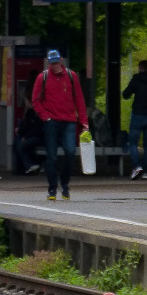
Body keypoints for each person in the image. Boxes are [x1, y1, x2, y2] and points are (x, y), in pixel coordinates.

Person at [32, 49, 88, 201]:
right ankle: (52, 188)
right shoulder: (43, 77)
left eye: (56, 63)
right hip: (52, 122)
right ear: (48, 63)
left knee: (70, 152)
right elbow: (35, 100)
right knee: (51, 156)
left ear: (61, 61)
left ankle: (65, 184)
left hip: (69, 120)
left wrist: (84, 121)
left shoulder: (71, 76)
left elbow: (79, 99)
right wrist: (46, 117)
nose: (55, 66)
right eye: (52, 64)